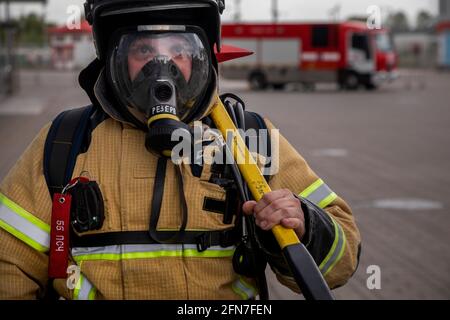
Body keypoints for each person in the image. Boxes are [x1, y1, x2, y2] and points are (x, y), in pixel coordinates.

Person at [0, 0, 361, 300]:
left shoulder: (249, 137)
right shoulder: (65, 141)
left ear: (201, 55)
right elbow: (8, 267)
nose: (163, 66)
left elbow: (342, 263)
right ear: (113, 56)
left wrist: (304, 224)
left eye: (178, 49)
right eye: (143, 49)